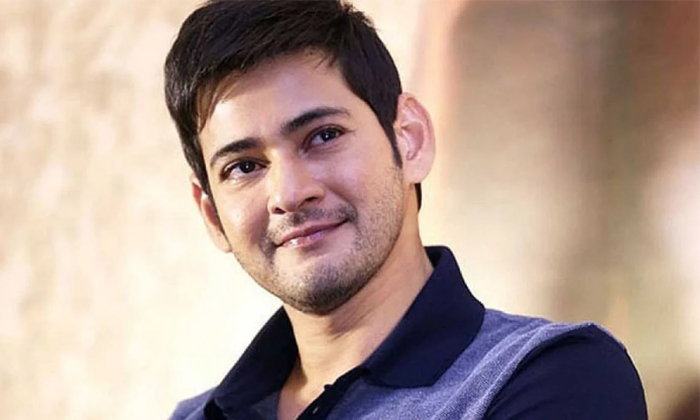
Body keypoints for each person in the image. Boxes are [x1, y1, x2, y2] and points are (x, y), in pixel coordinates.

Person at [163, 1, 648, 419]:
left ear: (409, 140)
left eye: (324, 136)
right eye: (244, 166)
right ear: (212, 215)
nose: (289, 193)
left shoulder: (556, 376)